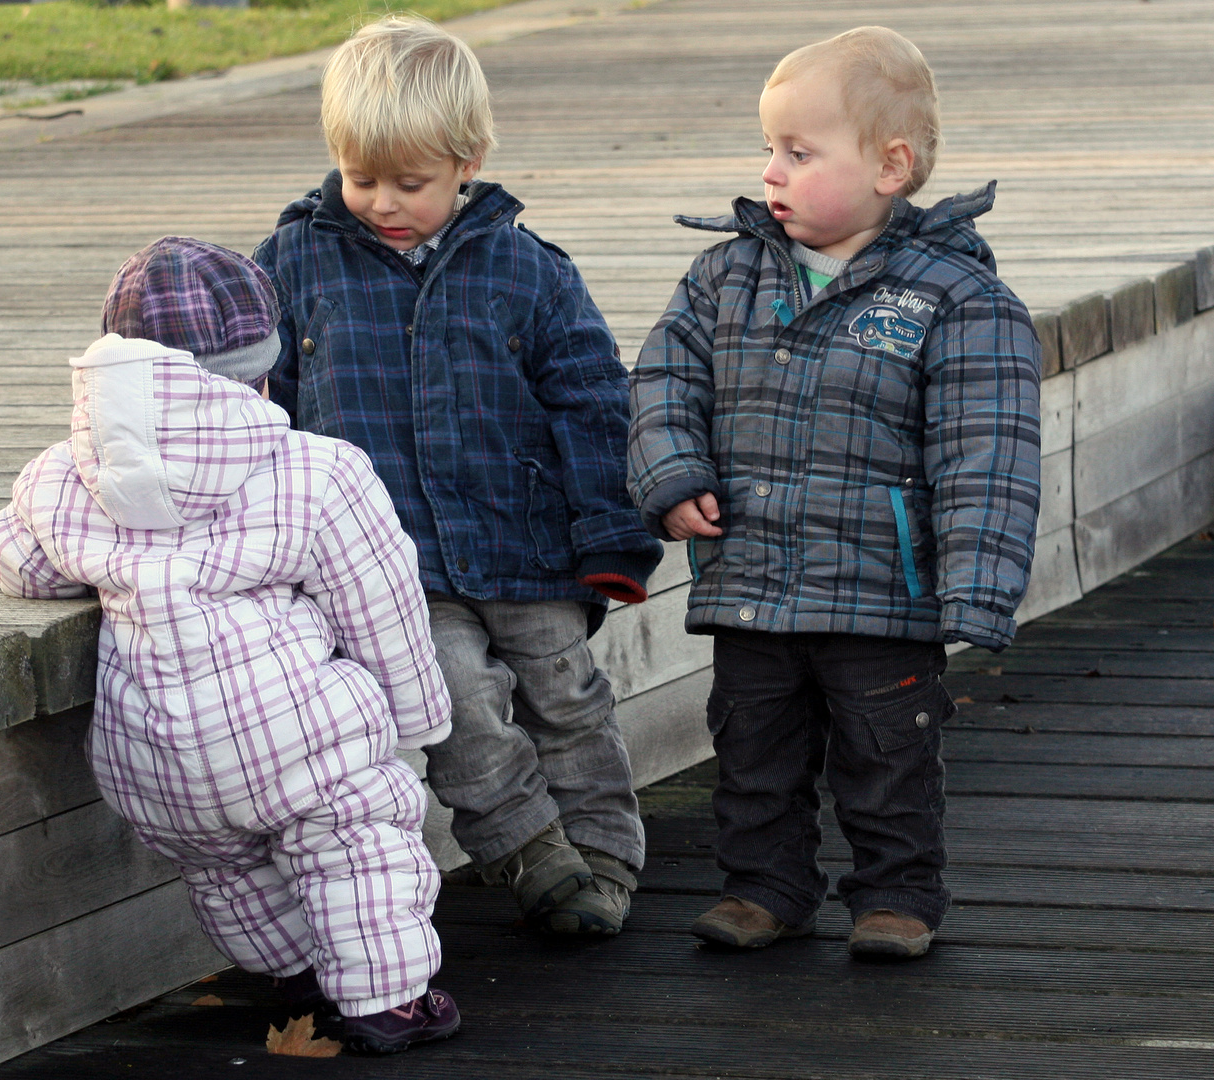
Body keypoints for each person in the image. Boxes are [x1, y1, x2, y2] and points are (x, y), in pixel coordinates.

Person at [0, 237, 460, 1054]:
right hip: (291, 735)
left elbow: (23, 562)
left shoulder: (61, 475)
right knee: (354, 837)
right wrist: (418, 717)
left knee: (224, 869)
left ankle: (297, 971)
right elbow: (381, 604)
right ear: (260, 371)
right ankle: (387, 1000)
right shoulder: (315, 470)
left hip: (153, 760)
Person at [627, 26, 1042, 959]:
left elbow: (991, 449)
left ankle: (897, 892)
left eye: (800, 153)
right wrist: (672, 476)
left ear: (891, 167)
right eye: (769, 148)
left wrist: (976, 586)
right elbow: (661, 381)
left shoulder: (954, 299)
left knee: (888, 751)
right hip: (753, 578)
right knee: (752, 748)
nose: (771, 172)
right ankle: (764, 885)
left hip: (881, 592)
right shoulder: (725, 276)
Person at [252, 14, 663, 936]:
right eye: (362, 179)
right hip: (390, 562)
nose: (383, 203)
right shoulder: (291, 266)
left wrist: (612, 534)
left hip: (525, 540)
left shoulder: (530, 272)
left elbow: (595, 402)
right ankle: (531, 853)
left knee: (566, 695)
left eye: (411, 183)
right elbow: (253, 406)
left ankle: (604, 849)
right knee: (454, 700)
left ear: (468, 160)